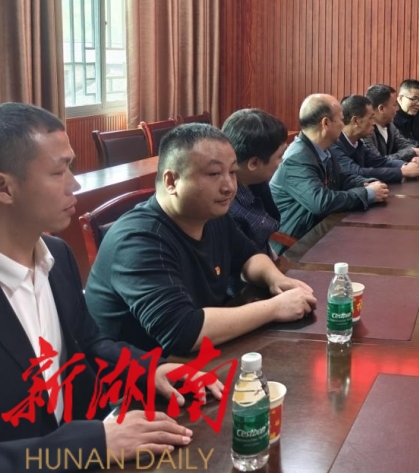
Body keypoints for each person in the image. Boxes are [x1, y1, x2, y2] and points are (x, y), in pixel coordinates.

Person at [0, 103, 223, 470]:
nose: (75, 184)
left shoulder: (57, 256)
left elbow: (89, 342)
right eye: (59, 172)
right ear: (5, 188)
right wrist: (92, 443)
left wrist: (151, 370)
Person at [84, 123, 318, 356]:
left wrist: (275, 278)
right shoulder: (138, 240)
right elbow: (182, 332)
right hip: (143, 371)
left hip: (198, 356)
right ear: (171, 182)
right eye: (214, 174)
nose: (229, 187)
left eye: (232, 172)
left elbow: (249, 256)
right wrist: (275, 308)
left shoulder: (210, 215)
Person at [271, 94, 389, 237]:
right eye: (341, 119)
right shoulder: (296, 158)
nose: (343, 125)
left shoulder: (324, 148)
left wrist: (367, 183)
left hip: (323, 229)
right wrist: (367, 193)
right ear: (326, 123)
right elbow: (321, 203)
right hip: (299, 241)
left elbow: (342, 177)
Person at [221, 108, 287, 258]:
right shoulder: (226, 206)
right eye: (279, 156)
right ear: (254, 163)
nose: (282, 162)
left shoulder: (256, 182)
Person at [332, 95, 419, 184]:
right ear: (355, 121)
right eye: (370, 118)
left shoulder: (357, 142)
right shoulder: (334, 144)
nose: (374, 122)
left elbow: (380, 162)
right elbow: (356, 172)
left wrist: (404, 165)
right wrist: (401, 172)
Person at [362, 84, 419, 165]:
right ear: (381, 109)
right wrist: (412, 153)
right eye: (394, 105)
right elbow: (377, 161)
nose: (397, 108)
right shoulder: (364, 131)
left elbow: (405, 144)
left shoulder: (390, 125)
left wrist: (414, 156)